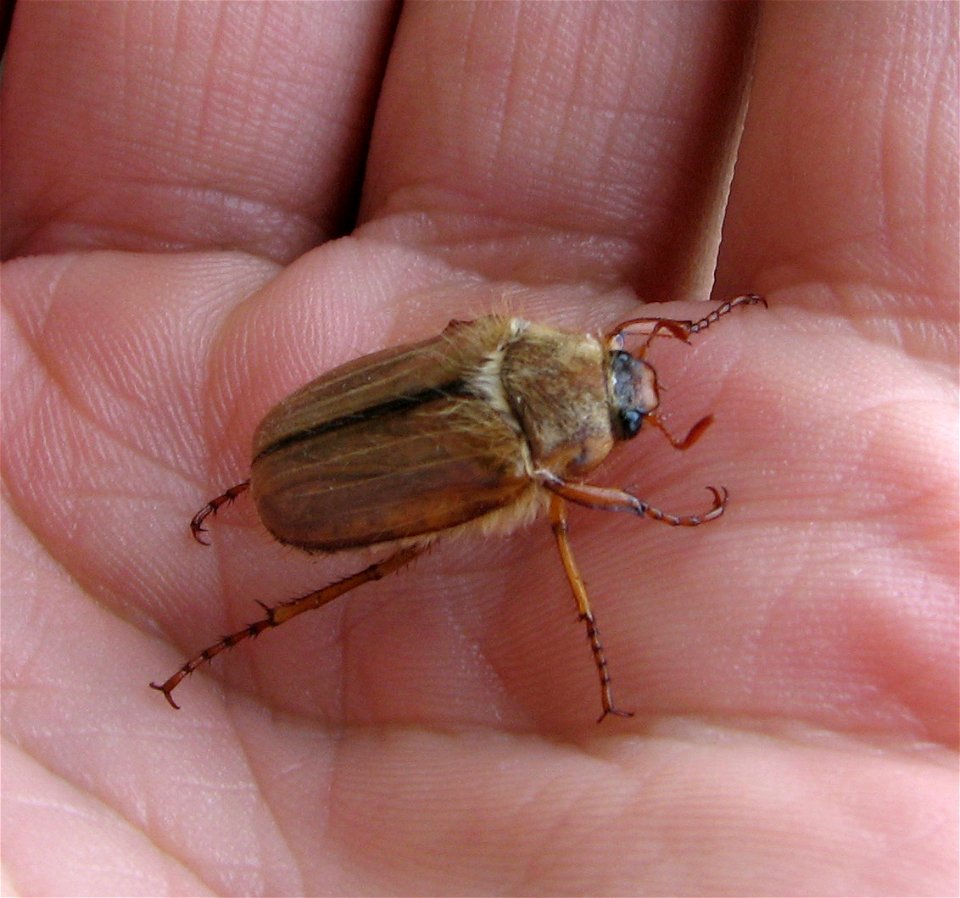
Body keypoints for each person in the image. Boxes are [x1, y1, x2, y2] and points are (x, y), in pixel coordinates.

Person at [2, 3, 956, 894]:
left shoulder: (495, 336)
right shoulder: (530, 470)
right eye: (628, 382)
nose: (632, 380)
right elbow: (574, 520)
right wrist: (651, 508)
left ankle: (239, 603)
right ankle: (248, 628)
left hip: (302, 446)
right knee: (403, 568)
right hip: (317, 472)